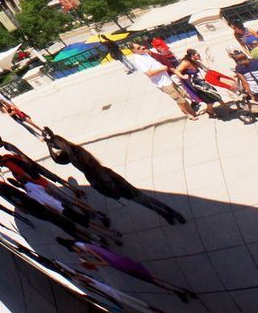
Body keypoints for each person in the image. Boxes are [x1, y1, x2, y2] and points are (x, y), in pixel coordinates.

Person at [42, 127, 186, 224]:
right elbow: (59, 156)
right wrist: (51, 138)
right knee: (139, 197)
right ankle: (168, 214)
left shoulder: (72, 156)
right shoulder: (75, 150)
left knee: (139, 198)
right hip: (106, 174)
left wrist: (49, 144)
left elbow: (57, 159)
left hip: (103, 179)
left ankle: (170, 213)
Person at [55, 238, 196, 302]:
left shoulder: (87, 250)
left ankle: (179, 291)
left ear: (73, 246)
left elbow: (104, 262)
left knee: (149, 278)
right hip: (121, 260)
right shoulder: (88, 245)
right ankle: (179, 290)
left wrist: (90, 262)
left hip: (120, 264)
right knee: (149, 276)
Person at [129, 50, 200, 120]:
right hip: (163, 84)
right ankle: (188, 114)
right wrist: (162, 69)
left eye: (144, 48)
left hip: (168, 80)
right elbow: (149, 73)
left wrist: (181, 76)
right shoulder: (141, 59)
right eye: (140, 48)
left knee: (182, 97)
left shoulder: (153, 56)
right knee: (181, 100)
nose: (143, 49)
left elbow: (172, 68)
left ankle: (191, 112)